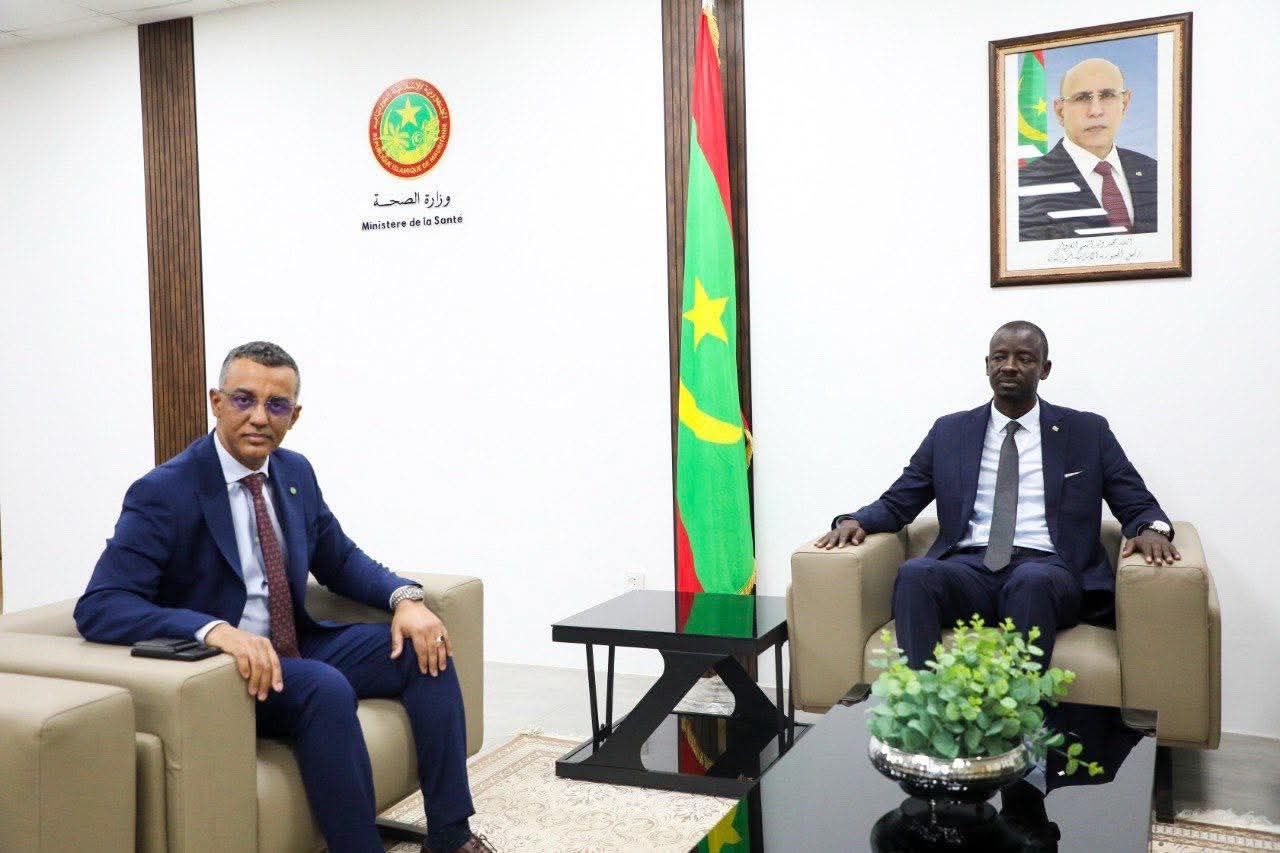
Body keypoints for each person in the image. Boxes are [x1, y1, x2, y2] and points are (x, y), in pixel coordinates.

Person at [75, 342, 492, 853]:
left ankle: (451, 836)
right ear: (216, 402)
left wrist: (405, 598)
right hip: (225, 670)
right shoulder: (165, 490)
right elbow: (102, 604)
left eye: (276, 405)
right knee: (324, 687)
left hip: (295, 643)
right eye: (244, 399)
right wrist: (215, 632)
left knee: (426, 651)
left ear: (293, 416)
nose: (259, 417)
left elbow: (340, 560)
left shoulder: (294, 473)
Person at [814, 321, 1179, 669]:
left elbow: (1135, 501)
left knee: (1031, 580)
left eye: (1024, 358)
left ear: (1045, 369)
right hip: (969, 568)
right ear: (987, 365)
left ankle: (1022, 711)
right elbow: (899, 501)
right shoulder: (950, 432)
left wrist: (1152, 530)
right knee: (915, 573)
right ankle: (923, 703)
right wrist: (855, 521)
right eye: (1000, 357)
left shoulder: (1086, 431)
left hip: (1049, 571)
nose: (1009, 366)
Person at [1019, 58, 1157, 241]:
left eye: (1107, 95)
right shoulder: (1025, 185)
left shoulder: (1155, 172)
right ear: (1060, 111)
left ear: (1124, 103)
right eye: (1081, 98)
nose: (1095, 111)